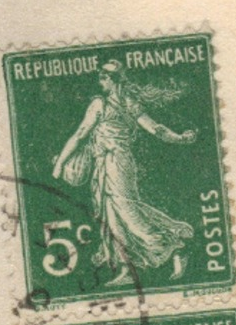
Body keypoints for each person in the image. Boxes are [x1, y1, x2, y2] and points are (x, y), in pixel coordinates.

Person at [52, 61, 196, 286]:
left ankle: (172, 248)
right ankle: (129, 267)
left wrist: (60, 163)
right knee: (114, 213)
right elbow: (156, 129)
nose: (100, 81)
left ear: (111, 80)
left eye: (103, 77)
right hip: (113, 163)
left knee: (126, 211)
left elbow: (80, 134)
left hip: (114, 163)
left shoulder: (100, 104)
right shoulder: (130, 103)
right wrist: (179, 138)